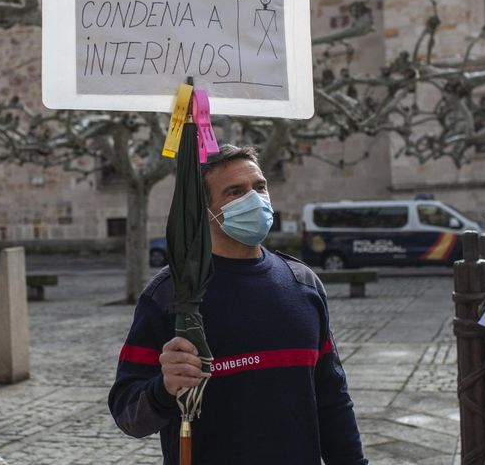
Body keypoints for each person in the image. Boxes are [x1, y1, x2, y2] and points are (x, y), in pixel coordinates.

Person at [108, 145, 367, 464]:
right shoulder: (170, 294)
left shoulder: (303, 284)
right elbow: (126, 412)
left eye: (260, 187)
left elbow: (332, 399)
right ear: (205, 210)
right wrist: (164, 388)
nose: (254, 199)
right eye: (235, 192)